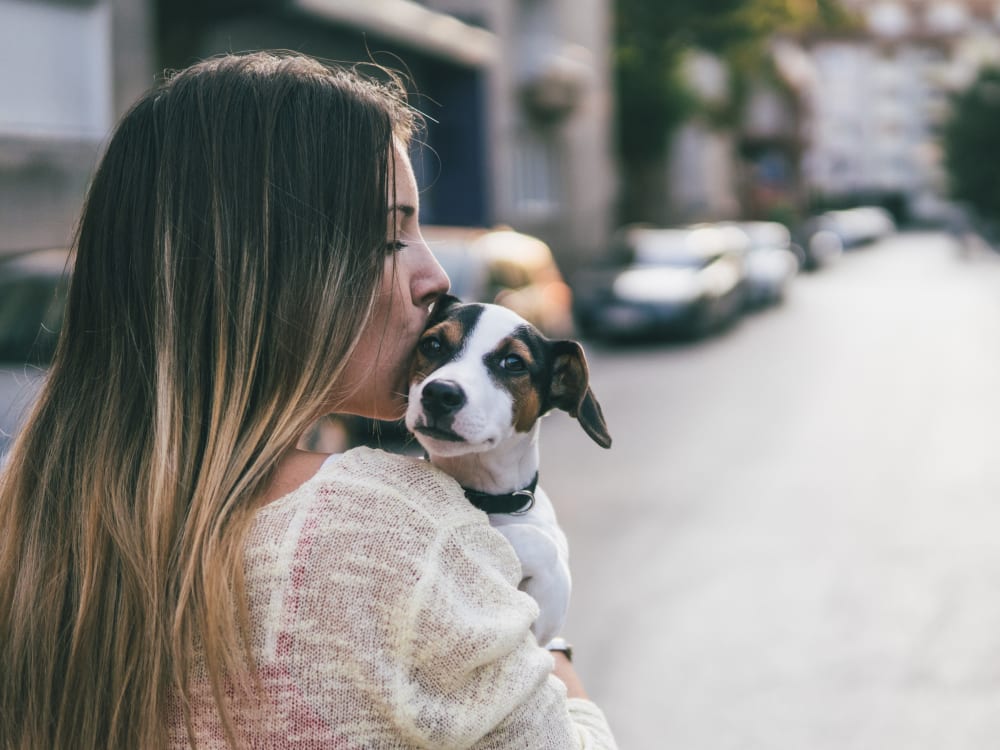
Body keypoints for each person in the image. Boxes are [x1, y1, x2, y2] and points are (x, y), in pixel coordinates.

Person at [0, 52, 617, 749]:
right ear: (270, 277)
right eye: (392, 235)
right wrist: (553, 659)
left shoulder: (26, 514)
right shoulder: (394, 531)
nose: (434, 275)